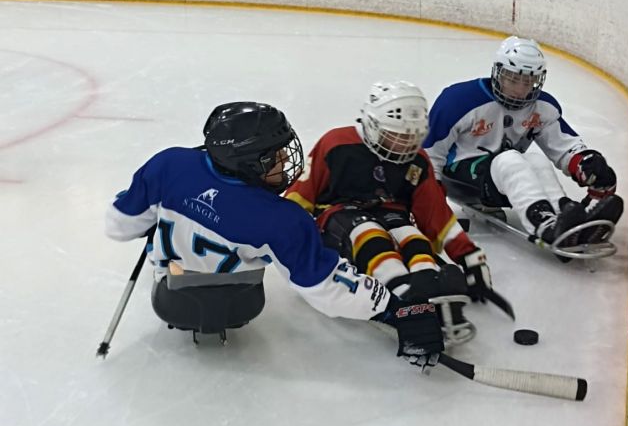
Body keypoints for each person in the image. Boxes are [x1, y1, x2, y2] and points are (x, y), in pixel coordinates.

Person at [105, 101, 444, 367]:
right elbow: (328, 288)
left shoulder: (167, 165)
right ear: (247, 162)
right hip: (242, 306)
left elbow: (118, 226)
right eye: (275, 156)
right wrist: (392, 308)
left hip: (170, 299)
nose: (285, 161)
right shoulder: (285, 219)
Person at [285, 81, 493, 345]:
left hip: (391, 215)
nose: (406, 144)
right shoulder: (336, 143)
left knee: (411, 236)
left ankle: (428, 281)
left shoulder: (417, 160)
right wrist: (294, 246)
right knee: (369, 233)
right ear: (373, 125)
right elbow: (299, 196)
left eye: (413, 137)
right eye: (398, 135)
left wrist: (469, 255)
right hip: (338, 217)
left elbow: (435, 214)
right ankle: (402, 294)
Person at [423, 36, 623, 252]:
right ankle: (545, 226)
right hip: (460, 180)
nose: (520, 90)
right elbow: (429, 153)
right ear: (498, 73)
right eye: (513, 79)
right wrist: (429, 202)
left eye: (528, 82)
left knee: (536, 161)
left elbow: (564, 146)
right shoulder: (458, 100)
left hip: (505, 177)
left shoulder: (543, 107)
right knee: (510, 160)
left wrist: (585, 162)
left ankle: (566, 218)